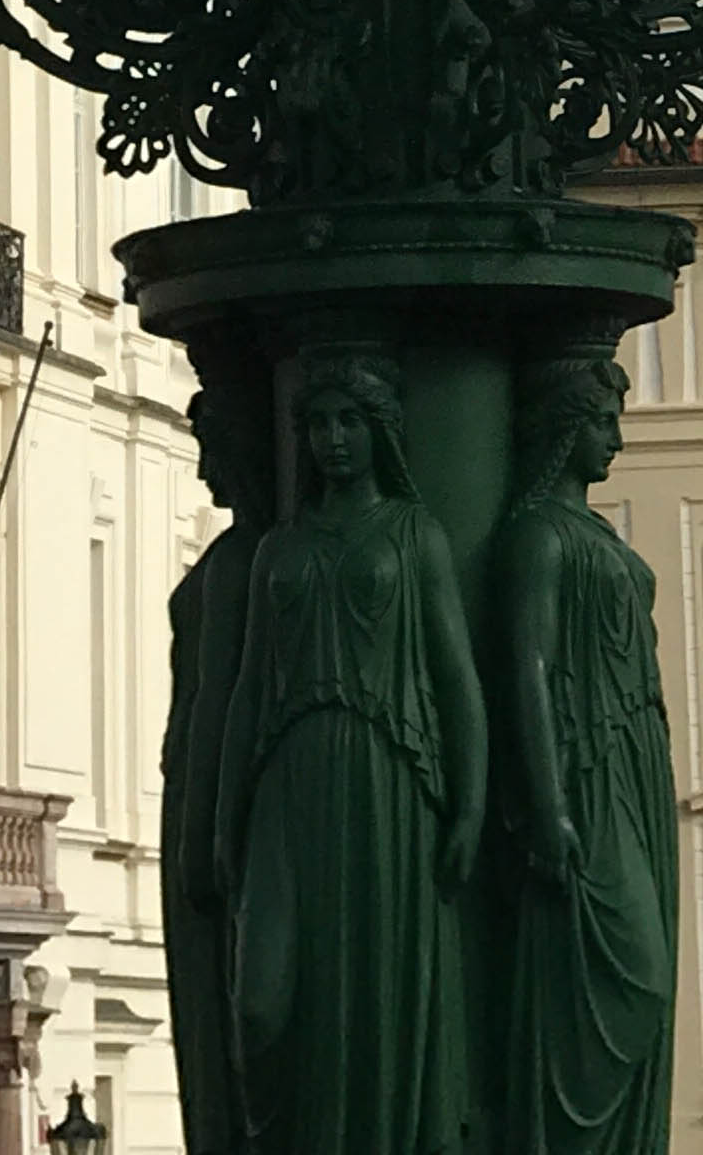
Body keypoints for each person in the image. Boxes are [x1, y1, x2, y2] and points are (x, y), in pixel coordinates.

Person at [217, 347, 484, 1155]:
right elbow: (247, 690)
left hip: (388, 783)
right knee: (261, 1004)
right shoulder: (281, 548)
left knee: (380, 994)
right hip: (289, 783)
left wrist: (469, 807)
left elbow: (455, 677)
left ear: (381, 432)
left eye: (350, 423)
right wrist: (223, 821)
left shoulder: (413, 536)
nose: (333, 440)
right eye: (319, 424)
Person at [498, 354, 676, 1155]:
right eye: (602, 422)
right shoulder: (539, 535)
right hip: (587, 769)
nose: (615, 440)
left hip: (635, 766)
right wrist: (548, 805)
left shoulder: (591, 534)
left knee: (648, 979)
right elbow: (526, 670)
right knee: (635, 978)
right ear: (565, 426)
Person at [166, 382, 272, 1155]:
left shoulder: (248, 564)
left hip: (214, 790)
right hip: (197, 784)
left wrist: (205, 830)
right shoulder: (233, 561)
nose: (207, 472)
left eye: (216, 451)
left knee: (229, 1006)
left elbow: (218, 708)